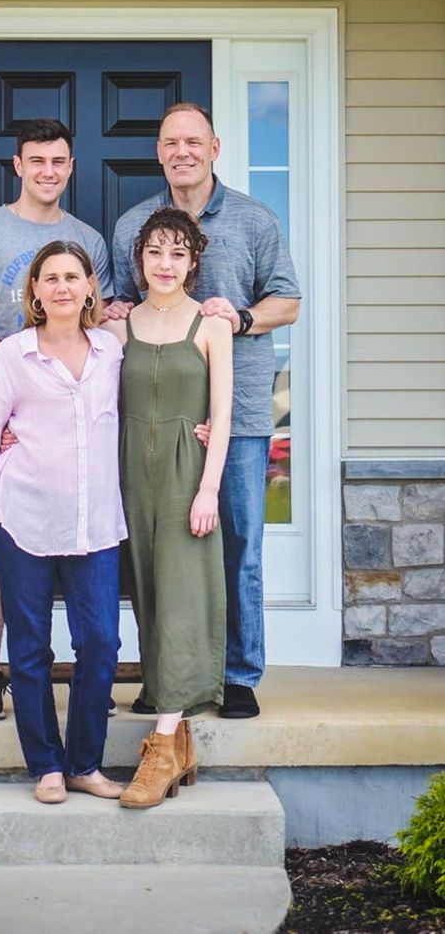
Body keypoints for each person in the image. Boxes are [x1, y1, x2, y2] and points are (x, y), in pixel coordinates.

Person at [110, 102, 301, 719]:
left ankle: (238, 674)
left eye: (194, 141)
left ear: (214, 148)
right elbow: (120, 305)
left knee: (238, 546)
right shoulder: (135, 225)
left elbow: (288, 301)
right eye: (171, 142)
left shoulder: (254, 218)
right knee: (159, 553)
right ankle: (170, 674)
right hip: (162, 419)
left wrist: (239, 318)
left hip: (236, 411)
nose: (182, 152)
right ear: (159, 152)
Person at [0, 118, 113, 720]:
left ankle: (87, 676)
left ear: (71, 167)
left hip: (71, 411)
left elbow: (98, 324)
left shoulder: (87, 241)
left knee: (76, 532)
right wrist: (17, 388)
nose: (48, 171)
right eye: (37, 160)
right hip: (3, 410)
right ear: (17, 166)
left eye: (58, 161)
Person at [0, 240, 126, 804]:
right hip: (21, 520)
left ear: (89, 287)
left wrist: (197, 426)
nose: (61, 287)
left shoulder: (110, 350)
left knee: (100, 643)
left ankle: (84, 764)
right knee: (30, 650)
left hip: (94, 524)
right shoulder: (13, 355)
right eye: (50, 278)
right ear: (34, 289)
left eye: (72, 277)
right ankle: (47, 767)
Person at [102, 207, 232, 809]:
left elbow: (222, 415)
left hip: (185, 476)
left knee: (181, 599)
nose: (165, 263)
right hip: (129, 475)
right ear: (139, 260)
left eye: (178, 253)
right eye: (155, 251)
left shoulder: (211, 325)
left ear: (193, 262)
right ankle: (178, 737)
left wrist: (208, 489)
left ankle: (158, 752)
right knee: (148, 597)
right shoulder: (118, 326)